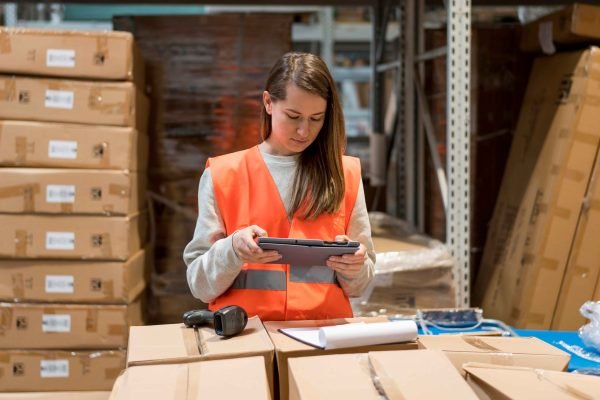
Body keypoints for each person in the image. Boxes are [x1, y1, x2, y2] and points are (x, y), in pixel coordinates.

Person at [184, 52, 375, 321]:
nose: (304, 131)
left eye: (316, 118)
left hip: (323, 344)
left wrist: (354, 267)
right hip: (246, 342)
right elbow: (199, 286)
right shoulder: (223, 174)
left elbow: (360, 285)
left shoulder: (345, 175)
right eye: (294, 116)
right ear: (268, 103)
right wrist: (233, 251)